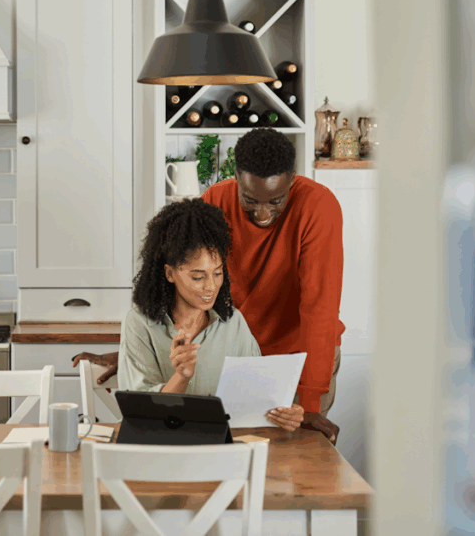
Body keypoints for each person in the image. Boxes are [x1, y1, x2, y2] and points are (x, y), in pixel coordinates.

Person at [74, 127, 344, 442]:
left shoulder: (318, 206)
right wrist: (136, 351)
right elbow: (187, 280)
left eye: (276, 201)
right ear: (237, 178)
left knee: (296, 465)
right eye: (250, 199)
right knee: (232, 451)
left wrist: (310, 404)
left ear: (292, 179)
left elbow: (319, 309)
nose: (263, 213)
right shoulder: (215, 200)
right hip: (234, 352)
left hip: (300, 357)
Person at [116, 197, 304, 431]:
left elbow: (257, 399)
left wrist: (285, 413)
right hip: (162, 451)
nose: (211, 286)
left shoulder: (233, 323)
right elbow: (142, 416)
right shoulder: (139, 324)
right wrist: (181, 376)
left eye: (217, 273)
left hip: (224, 451)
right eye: (198, 277)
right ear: (170, 273)